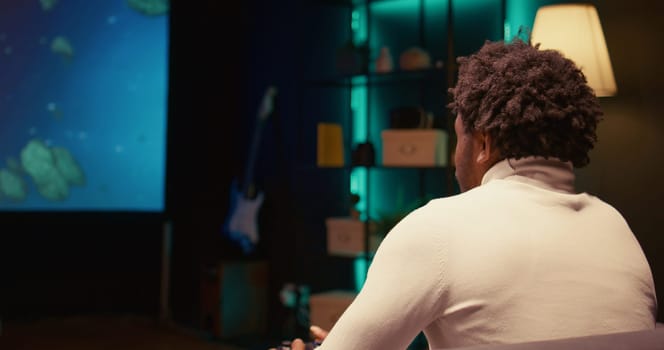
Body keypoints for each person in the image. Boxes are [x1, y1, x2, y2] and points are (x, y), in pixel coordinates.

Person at [289, 38, 658, 350]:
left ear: (484, 143)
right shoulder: (615, 227)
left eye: (458, 136)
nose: (455, 158)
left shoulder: (437, 228)